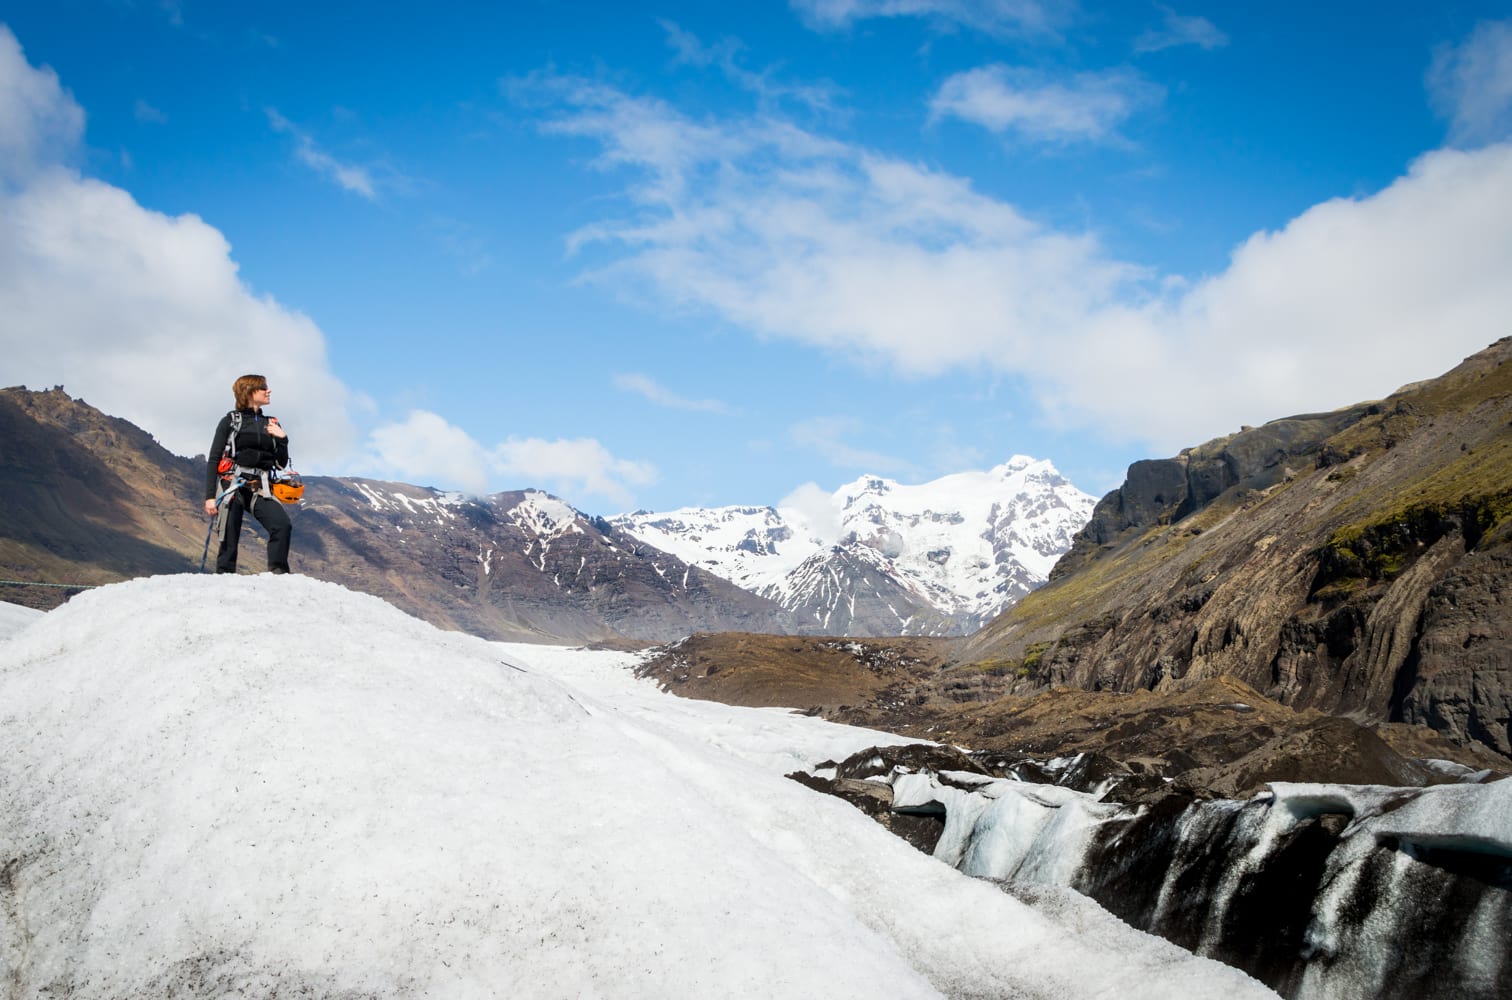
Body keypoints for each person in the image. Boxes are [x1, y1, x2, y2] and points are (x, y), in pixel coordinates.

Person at [203, 374, 293, 574]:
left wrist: (283, 439)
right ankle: (224, 576)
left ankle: (279, 574)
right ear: (250, 392)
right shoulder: (230, 421)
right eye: (264, 388)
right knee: (229, 533)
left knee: (282, 525)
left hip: (260, 487)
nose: (268, 391)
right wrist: (210, 497)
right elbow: (214, 459)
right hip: (233, 485)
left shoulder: (272, 423)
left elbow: (280, 463)